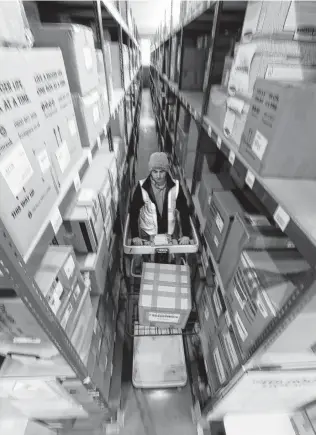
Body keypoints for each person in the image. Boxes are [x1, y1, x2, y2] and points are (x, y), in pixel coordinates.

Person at [130, 152, 191, 245]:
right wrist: (135, 236)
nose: (158, 176)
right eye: (155, 171)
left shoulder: (176, 187)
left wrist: (186, 234)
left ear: (166, 171)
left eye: (161, 171)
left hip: (169, 234)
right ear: (150, 171)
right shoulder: (141, 187)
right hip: (148, 235)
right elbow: (133, 211)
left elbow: (184, 210)